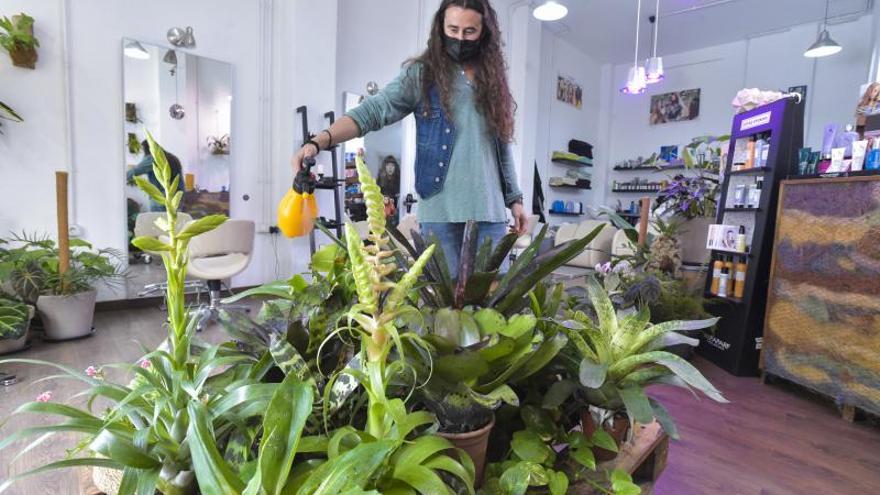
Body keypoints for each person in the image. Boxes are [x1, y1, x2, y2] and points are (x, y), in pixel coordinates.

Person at [291, 0, 527, 278]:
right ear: (440, 27)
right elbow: (373, 111)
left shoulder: (492, 81)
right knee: (444, 314)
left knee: (493, 311)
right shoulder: (422, 75)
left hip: (490, 215)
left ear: (484, 32)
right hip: (440, 216)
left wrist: (515, 198)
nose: (460, 39)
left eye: (469, 32)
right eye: (453, 29)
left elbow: (501, 146)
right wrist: (321, 140)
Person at [127, 140, 184, 211]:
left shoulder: (153, 158)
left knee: (159, 221)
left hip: (161, 200)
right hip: (177, 200)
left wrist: (120, 177)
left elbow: (134, 172)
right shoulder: (173, 158)